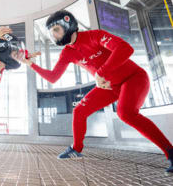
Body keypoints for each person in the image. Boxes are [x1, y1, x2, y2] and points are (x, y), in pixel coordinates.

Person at [20, 10, 173, 173]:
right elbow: (53, 77)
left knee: (125, 113)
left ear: (68, 24)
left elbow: (125, 48)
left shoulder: (94, 36)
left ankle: (170, 153)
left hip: (134, 78)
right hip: (109, 86)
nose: (55, 36)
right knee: (79, 111)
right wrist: (31, 65)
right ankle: (76, 149)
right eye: (52, 34)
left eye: (56, 30)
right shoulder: (67, 52)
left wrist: (101, 73)